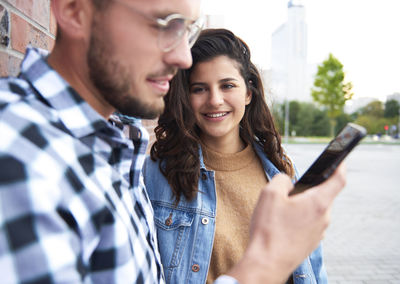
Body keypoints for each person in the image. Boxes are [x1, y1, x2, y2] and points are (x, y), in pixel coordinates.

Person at [0, 0, 345, 283]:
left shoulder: (118, 146)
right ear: (75, 10)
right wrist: (264, 265)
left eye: (187, 30)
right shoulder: (18, 149)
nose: (182, 57)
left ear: (250, 93)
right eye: (164, 24)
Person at [143, 28, 327, 284]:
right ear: (185, 97)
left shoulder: (281, 169)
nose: (215, 100)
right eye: (199, 89)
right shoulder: (156, 172)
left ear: (248, 93)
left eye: (227, 85)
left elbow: (312, 263)